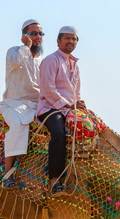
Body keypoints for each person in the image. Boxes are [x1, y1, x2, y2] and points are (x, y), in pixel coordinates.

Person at [36, 26, 86, 197]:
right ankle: (54, 181)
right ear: (58, 41)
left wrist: (78, 105)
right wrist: (68, 105)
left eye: (74, 39)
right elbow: (48, 90)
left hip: (69, 109)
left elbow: (76, 92)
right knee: (58, 132)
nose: (71, 41)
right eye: (67, 38)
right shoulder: (51, 61)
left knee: (90, 128)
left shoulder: (75, 65)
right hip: (50, 108)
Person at [0, 19, 44, 188]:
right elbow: (18, 61)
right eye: (33, 33)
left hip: (37, 105)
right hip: (13, 104)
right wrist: (26, 46)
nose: (38, 37)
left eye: (40, 34)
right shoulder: (14, 52)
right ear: (24, 36)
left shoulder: (42, 60)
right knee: (17, 125)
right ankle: (7, 175)